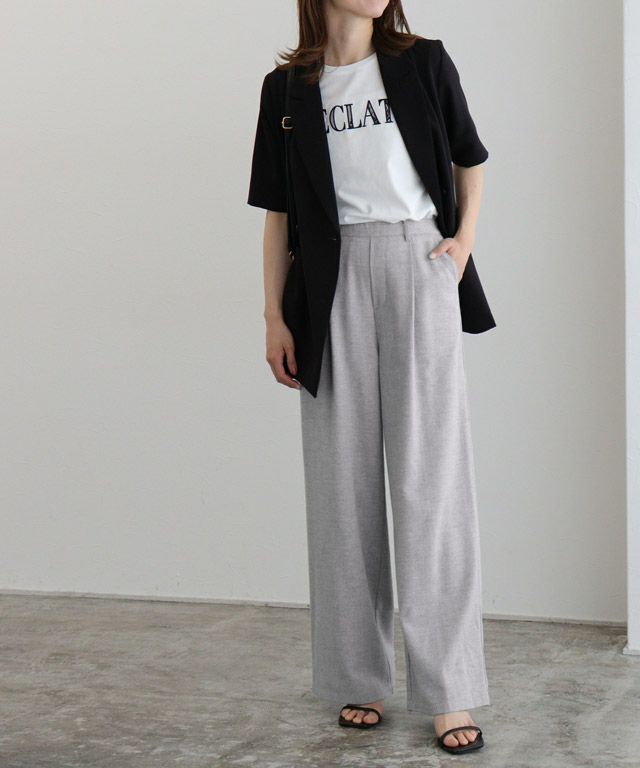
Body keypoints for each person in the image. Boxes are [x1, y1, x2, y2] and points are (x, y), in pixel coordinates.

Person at [247, 0, 494, 756]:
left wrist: (459, 245)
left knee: (432, 483)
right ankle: (359, 676)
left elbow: (470, 160)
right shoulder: (287, 90)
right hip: (328, 282)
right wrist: (273, 316)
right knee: (341, 486)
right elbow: (277, 213)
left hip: (419, 263)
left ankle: (449, 688)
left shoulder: (424, 62)